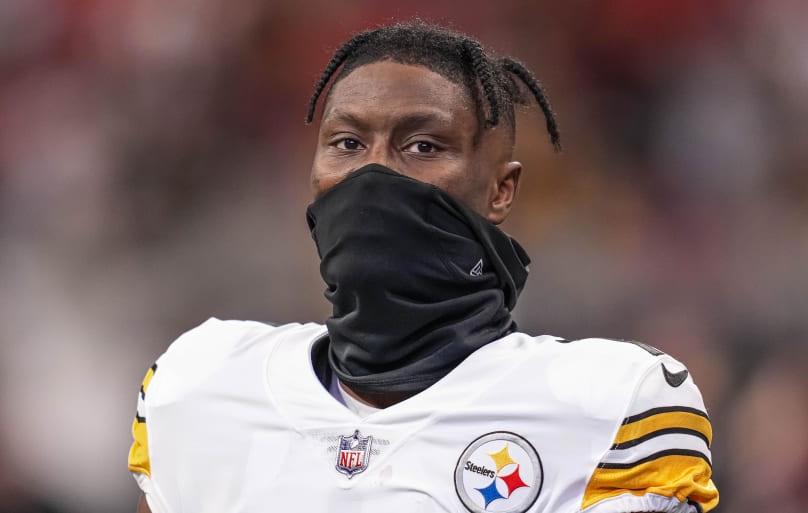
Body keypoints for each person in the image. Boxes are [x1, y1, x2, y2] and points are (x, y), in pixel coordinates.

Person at [128, 20, 718, 513]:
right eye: (348, 144)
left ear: (501, 191)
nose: (374, 175)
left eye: (423, 147)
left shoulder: (611, 409)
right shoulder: (199, 385)